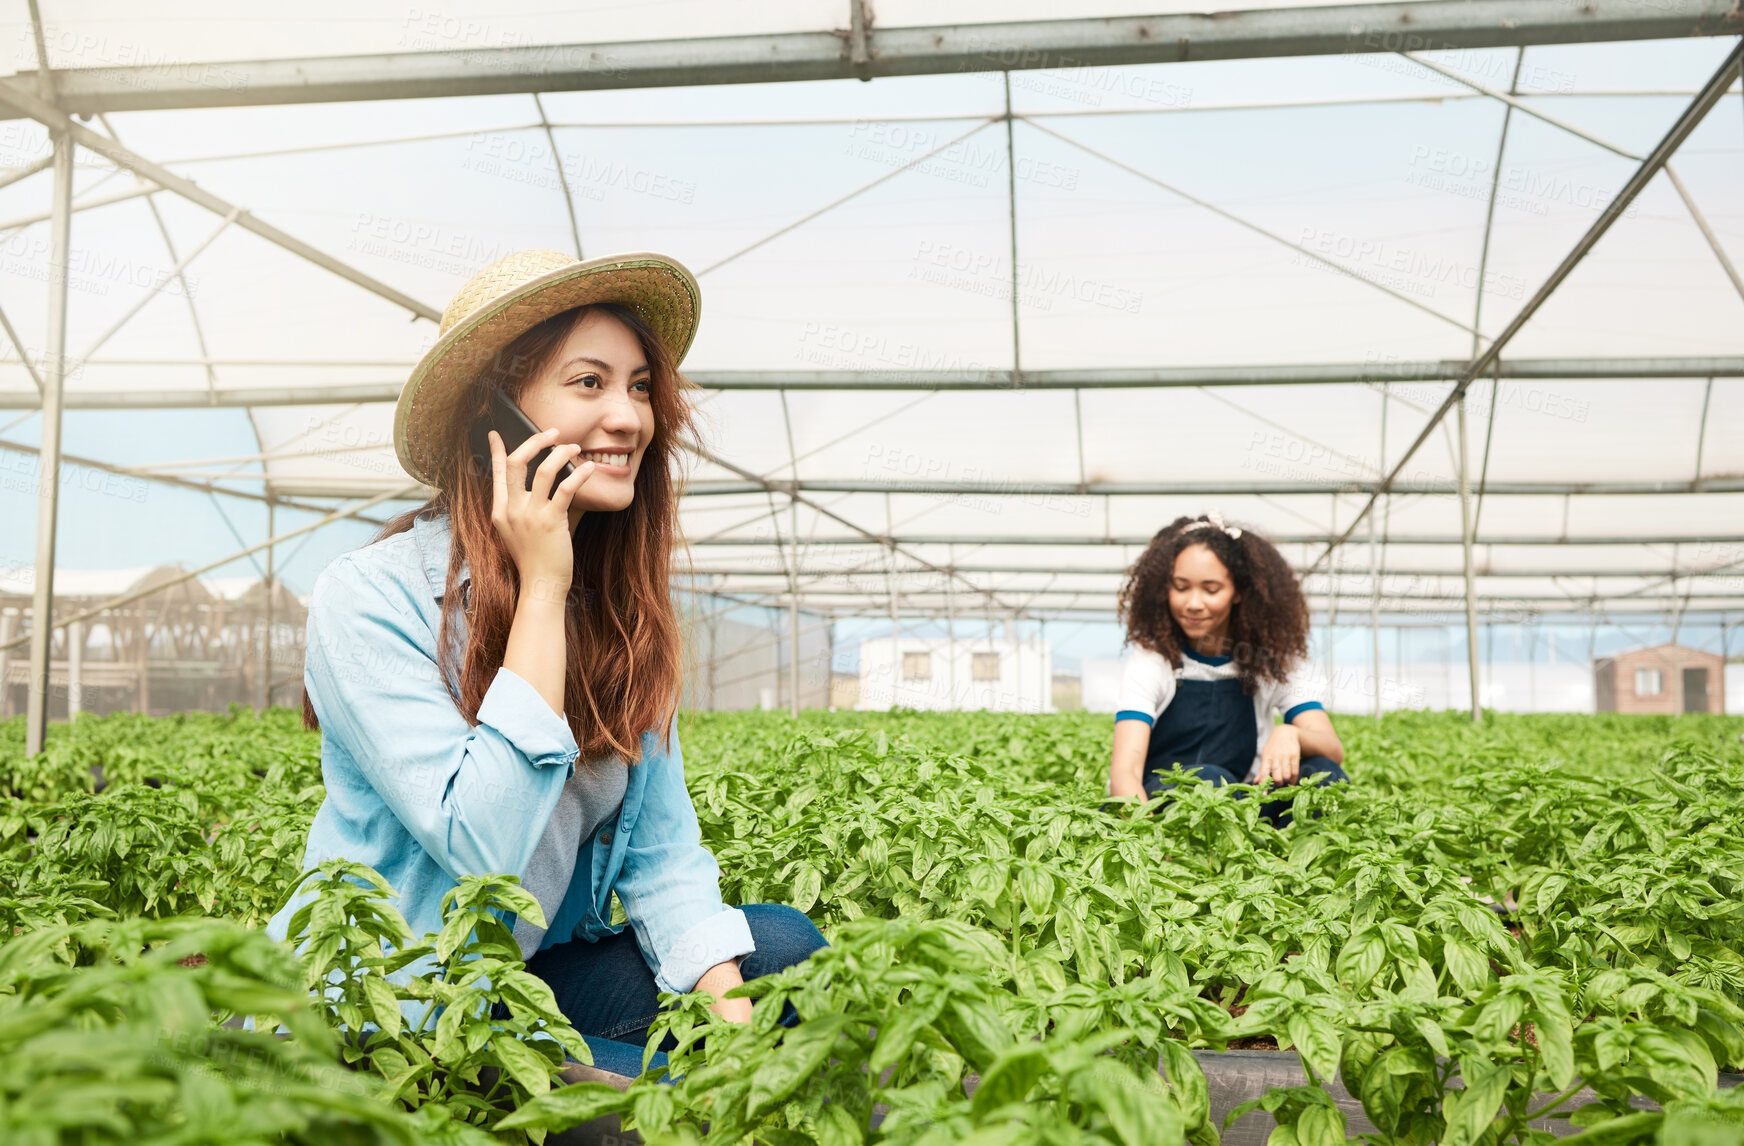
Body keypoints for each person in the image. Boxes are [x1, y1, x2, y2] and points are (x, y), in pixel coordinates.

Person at [267, 249, 824, 1078]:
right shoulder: (370, 598)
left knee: (779, 946)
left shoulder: (614, 614)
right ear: (496, 418)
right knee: (652, 1106)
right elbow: (480, 848)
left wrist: (732, 1031)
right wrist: (542, 587)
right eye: (590, 383)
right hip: (394, 1004)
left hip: (518, 978)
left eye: (638, 387)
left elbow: (663, 855)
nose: (630, 418)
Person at [1107, 512, 1346, 825]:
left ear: (1239, 593)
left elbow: (1333, 749)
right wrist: (1147, 841)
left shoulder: (1270, 659)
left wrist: (1293, 734)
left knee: (1322, 774)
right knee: (1207, 780)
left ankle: (1294, 860)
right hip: (1165, 809)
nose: (1193, 603)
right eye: (1181, 587)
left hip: (1244, 808)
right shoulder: (1155, 659)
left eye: (1211, 589)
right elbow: (1124, 775)